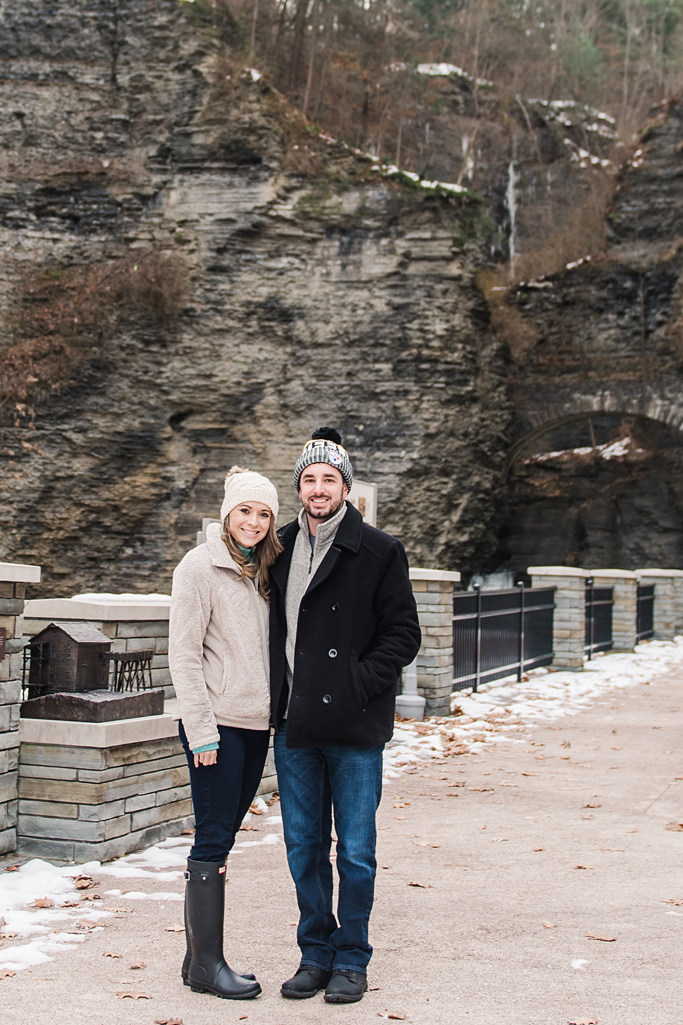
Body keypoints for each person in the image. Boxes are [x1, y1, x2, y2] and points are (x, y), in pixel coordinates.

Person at [268, 428, 419, 1005]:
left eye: (329, 479)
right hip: (297, 724)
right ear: (299, 488)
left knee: (355, 850)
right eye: (309, 479)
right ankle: (314, 954)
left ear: (346, 489)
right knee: (303, 847)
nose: (318, 488)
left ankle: (352, 957)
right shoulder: (279, 549)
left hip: (355, 727)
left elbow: (403, 632)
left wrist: (358, 682)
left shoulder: (380, 550)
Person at [168, 466, 281, 1000]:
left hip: (255, 724)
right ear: (227, 514)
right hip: (216, 727)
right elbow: (184, 656)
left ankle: (197, 962)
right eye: (245, 511)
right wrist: (201, 730)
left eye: (263, 514)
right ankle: (209, 966)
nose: (254, 522)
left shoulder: (265, 570)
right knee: (213, 837)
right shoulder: (199, 566)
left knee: (224, 835)